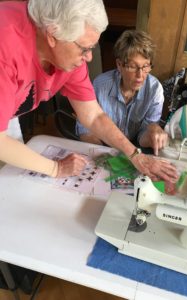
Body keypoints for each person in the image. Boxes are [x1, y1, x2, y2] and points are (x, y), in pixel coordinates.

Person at [0, 0, 177, 183]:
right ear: (52, 36)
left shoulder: (69, 49)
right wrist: (56, 168)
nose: (89, 57)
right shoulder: (5, 47)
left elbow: (93, 116)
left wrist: (135, 155)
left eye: (92, 48)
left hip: (8, 115)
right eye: (84, 48)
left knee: (10, 179)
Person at [76, 30, 168, 156]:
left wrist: (152, 134)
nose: (140, 75)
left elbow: (142, 137)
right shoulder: (100, 85)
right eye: (132, 66)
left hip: (134, 149)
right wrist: (102, 155)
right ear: (119, 65)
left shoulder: (154, 90)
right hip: (103, 147)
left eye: (145, 66)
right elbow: (85, 129)